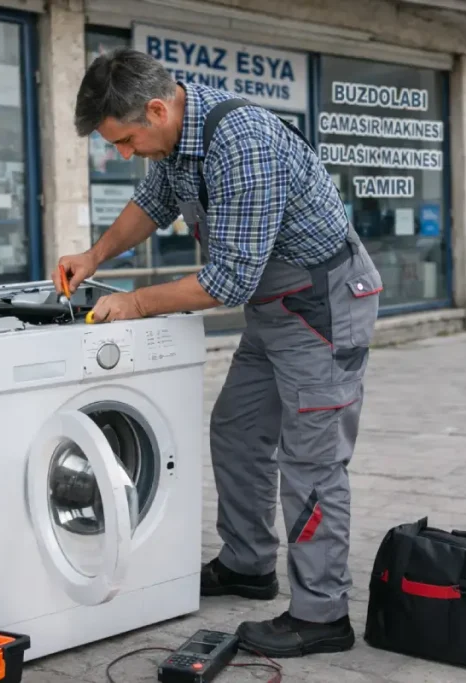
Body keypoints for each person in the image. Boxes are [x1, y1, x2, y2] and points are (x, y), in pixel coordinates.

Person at [56, 48, 383, 658]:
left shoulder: (242, 141)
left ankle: (322, 615)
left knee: (312, 460)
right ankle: (249, 565)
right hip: (272, 304)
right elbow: (151, 206)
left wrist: (137, 302)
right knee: (236, 431)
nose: (124, 154)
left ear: (156, 109)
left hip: (320, 306)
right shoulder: (177, 136)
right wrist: (94, 257)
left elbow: (226, 281)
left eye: (126, 140)